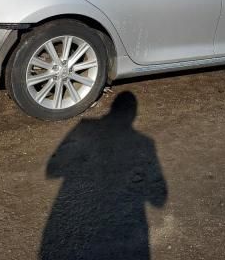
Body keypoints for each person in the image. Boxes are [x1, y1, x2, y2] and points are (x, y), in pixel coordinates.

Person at [40, 91, 167, 260]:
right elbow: (159, 199)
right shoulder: (145, 143)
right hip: (120, 234)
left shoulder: (85, 127)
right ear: (134, 114)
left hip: (77, 226)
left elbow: (52, 170)